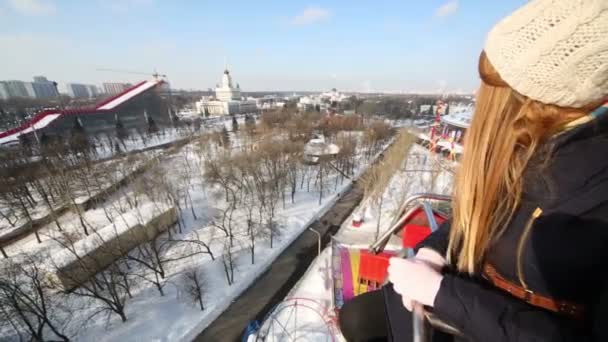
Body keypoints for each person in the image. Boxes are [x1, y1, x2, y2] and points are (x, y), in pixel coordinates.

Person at [339, 0, 608, 341]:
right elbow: (484, 214)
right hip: (467, 297)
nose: (478, 99)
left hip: (485, 318)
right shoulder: (527, 147)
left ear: (533, 99)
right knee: (357, 317)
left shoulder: (590, 182)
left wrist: (443, 294)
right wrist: (434, 249)